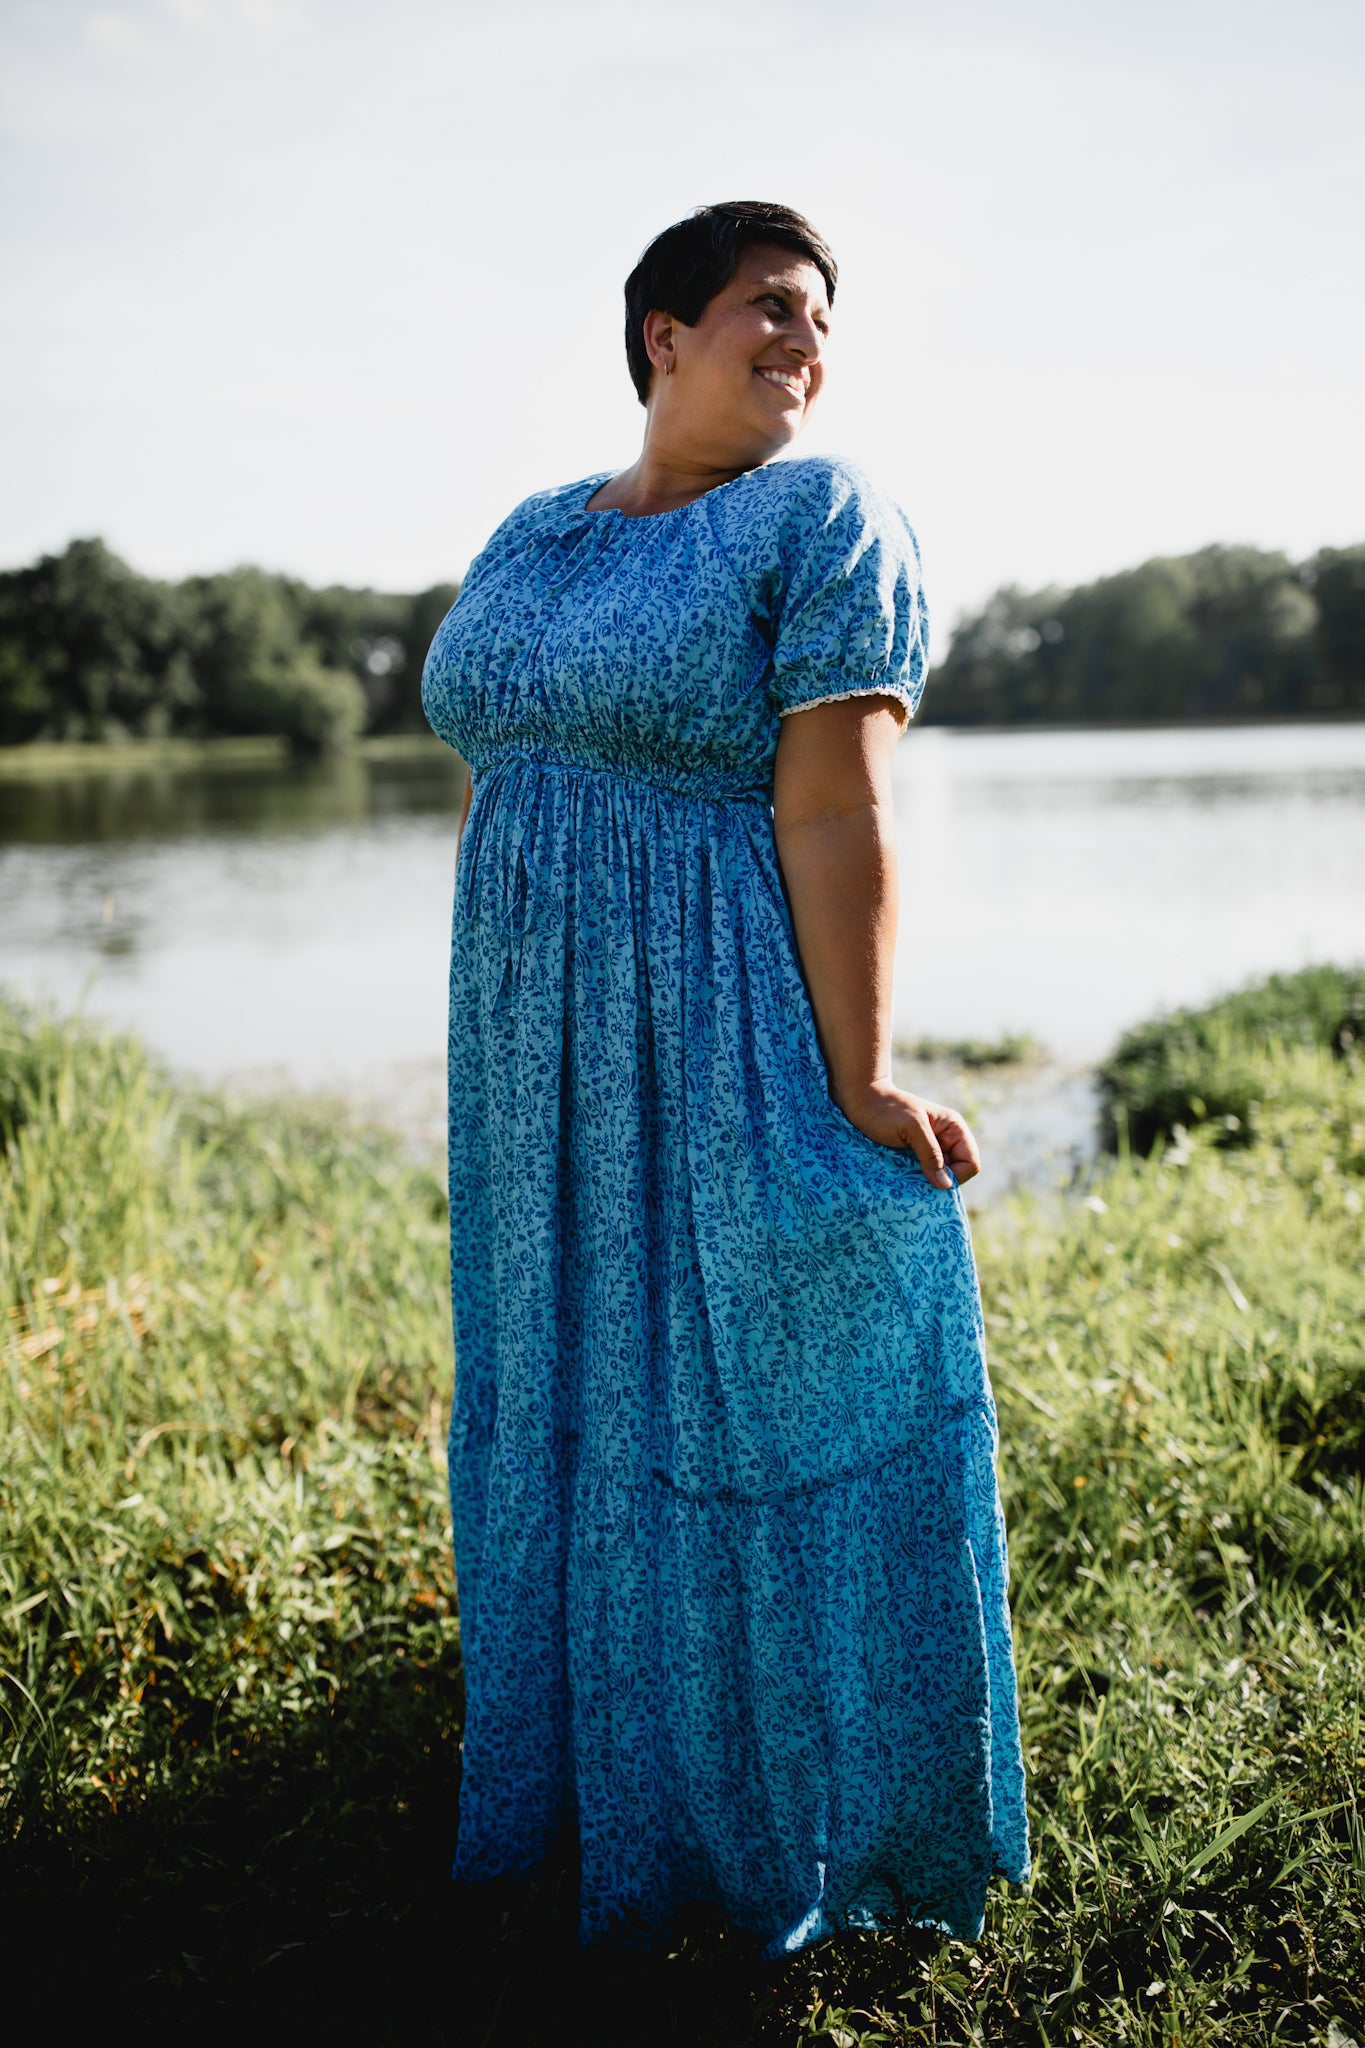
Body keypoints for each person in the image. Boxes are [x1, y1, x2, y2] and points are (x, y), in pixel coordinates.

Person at [421, 200, 1029, 1954]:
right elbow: (508, 753)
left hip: (717, 1014)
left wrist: (865, 1074)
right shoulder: (537, 531)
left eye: (820, 323)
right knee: (567, 1390)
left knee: (738, 1385)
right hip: (530, 1047)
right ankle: (588, 1780)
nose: (802, 343)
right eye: (766, 308)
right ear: (659, 336)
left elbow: (833, 803)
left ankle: (794, 1814)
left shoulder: (824, 518)